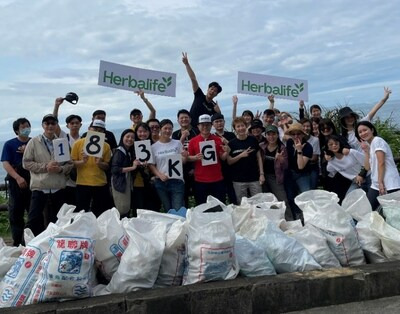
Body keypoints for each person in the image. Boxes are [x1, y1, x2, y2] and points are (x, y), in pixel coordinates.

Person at [22, 114, 73, 236]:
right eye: (47, 123)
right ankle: (26, 248)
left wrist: (60, 169)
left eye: (53, 123)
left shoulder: (63, 142)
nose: (50, 126)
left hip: (58, 188)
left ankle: (56, 249)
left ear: (56, 125)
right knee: (33, 221)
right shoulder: (33, 142)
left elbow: (70, 164)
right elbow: (26, 163)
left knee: (59, 221)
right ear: (42, 125)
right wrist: (46, 167)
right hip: (40, 188)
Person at [71, 120, 112, 217]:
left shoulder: (106, 146)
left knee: (100, 212)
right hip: (82, 183)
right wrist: (82, 161)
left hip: (100, 183)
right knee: (81, 212)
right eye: (95, 129)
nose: (97, 132)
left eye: (100, 130)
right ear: (89, 129)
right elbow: (72, 164)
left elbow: (107, 165)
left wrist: (100, 163)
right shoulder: (78, 144)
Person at [356, 121, 400, 210]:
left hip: (388, 183)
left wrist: (380, 183)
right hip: (376, 184)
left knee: (393, 212)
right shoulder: (371, 145)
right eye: (360, 132)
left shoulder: (377, 141)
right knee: (368, 210)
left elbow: (381, 162)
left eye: (365, 130)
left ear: (372, 130)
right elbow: (367, 167)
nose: (363, 133)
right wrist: (366, 151)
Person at [1, 118, 32, 245]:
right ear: (16, 131)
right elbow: (5, 163)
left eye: (28, 126)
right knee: (16, 214)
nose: (26, 129)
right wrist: (17, 177)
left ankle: (32, 241)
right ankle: (18, 243)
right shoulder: (9, 144)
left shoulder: (34, 142)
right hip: (15, 183)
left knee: (34, 213)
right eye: (23, 127)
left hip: (33, 182)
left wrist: (27, 152)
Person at [188, 114, 228, 204]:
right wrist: (195, 157)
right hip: (200, 181)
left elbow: (223, 157)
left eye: (207, 125)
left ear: (211, 126)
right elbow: (188, 158)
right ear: (198, 126)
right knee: (202, 208)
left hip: (217, 179)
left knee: (220, 207)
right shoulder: (193, 141)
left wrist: (227, 150)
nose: (205, 127)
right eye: (202, 125)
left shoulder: (218, 139)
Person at [149, 119, 186, 211]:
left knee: (178, 209)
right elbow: (151, 164)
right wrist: (159, 175)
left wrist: (185, 157)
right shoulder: (153, 147)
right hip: (161, 182)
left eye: (170, 129)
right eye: (165, 128)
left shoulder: (177, 143)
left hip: (177, 181)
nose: (168, 131)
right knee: (168, 209)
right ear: (160, 129)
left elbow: (183, 161)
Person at [339, 87, 391, 152]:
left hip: (374, 155)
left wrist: (385, 98)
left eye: (351, 116)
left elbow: (374, 109)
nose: (350, 119)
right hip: (361, 161)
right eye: (347, 117)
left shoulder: (362, 124)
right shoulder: (343, 136)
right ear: (343, 120)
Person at [52, 96, 82, 205]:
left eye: (77, 123)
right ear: (67, 125)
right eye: (72, 123)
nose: (74, 125)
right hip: (67, 180)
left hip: (81, 180)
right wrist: (56, 106)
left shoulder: (84, 140)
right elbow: (54, 123)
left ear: (80, 125)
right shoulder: (64, 137)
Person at [227, 117, 264, 204]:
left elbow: (259, 157)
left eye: (242, 125)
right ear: (235, 129)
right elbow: (229, 161)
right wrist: (241, 155)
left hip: (254, 178)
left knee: (259, 203)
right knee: (243, 205)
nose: (241, 128)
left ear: (246, 126)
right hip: (238, 180)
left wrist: (261, 174)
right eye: (238, 126)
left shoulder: (253, 140)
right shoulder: (231, 143)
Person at [259, 124, 291, 220]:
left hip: (276, 177)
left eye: (273, 134)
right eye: (269, 134)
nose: (271, 137)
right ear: (265, 135)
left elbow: (286, 166)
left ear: (277, 135)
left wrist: (281, 160)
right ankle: (270, 221)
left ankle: (290, 221)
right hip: (263, 176)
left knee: (283, 200)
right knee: (266, 202)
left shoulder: (282, 148)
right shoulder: (261, 146)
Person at [182, 52, 222, 129]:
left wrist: (218, 112)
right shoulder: (199, 95)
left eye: (215, 91)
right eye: (211, 89)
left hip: (202, 130)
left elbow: (218, 120)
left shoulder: (214, 106)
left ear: (216, 94)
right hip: (189, 127)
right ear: (208, 89)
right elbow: (193, 79)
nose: (212, 91)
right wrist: (187, 64)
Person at [325, 135, 370, 200]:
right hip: (356, 182)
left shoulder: (351, 152)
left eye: (336, 143)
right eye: (331, 144)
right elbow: (329, 170)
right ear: (328, 147)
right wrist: (328, 158)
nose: (334, 145)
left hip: (368, 176)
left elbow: (367, 162)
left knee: (371, 199)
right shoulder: (332, 162)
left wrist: (361, 175)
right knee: (348, 200)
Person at [284, 123, 313, 220]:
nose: (296, 136)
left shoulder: (308, 147)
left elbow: (301, 166)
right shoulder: (289, 143)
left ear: (303, 134)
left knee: (306, 196)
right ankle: (297, 215)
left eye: (298, 134)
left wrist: (299, 150)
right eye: (293, 134)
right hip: (290, 174)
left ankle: (309, 217)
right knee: (291, 197)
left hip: (302, 174)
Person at [172, 109, 198, 207]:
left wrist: (194, 168)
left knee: (199, 196)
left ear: (190, 119)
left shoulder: (197, 131)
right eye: (181, 118)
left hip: (197, 168)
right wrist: (182, 137)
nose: (184, 119)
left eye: (186, 117)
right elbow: (174, 151)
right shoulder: (175, 134)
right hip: (181, 170)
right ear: (178, 121)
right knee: (184, 198)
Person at [133, 122, 161, 212]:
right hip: (137, 182)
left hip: (153, 181)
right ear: (136, 133)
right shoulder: (132, 146)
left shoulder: (154, 145)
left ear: (149, 132)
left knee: (154, 207)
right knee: (140, 208)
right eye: (140, 131)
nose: (142, 134)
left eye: (145, 131)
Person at [111, 129, 139, 217]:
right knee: (122, 209)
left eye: (132, 137)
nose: (130, 139)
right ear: (122, 137)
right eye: (127, 136)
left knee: (125, 208)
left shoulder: (127, 151)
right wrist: (133, 167)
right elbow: (115, 169)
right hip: (119, 184)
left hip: (124, 182)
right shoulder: (119, 151)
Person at [212, 112, 237, 205]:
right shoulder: (211, 138)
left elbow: (236, 149)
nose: (219, 123)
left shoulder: (231, 135)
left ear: (224, 122)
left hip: (232, 168)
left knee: (233, 194)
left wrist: (227, 143)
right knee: (220, 195)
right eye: (216, 122)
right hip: (218, 170)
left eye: (221, 121)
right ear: (213, 124)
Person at [300, 118, 321, 189]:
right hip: (300, 169)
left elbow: (314, 158)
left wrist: (300, 156)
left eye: (308, 126)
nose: (306, 128)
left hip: (312, 168)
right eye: (304, 126)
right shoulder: (297, 139)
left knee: (312, 188)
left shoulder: (315, 140)